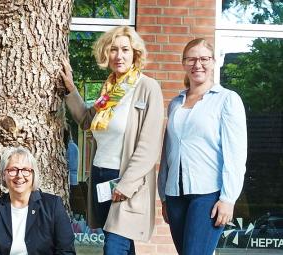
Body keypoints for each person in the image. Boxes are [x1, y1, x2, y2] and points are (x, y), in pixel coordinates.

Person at [60, 26, 164, 254]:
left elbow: (149, 146)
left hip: (126, 180)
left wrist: (126, 185)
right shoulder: (109, 90)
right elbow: (87, 119)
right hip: (100, 176)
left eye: (125, 49)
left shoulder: (147, 88)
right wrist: (70, 89)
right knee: (121, 244)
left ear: (135, 53)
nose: (119, 55)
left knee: (114, 247)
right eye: (113, 50)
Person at [157, 38, 247, 255]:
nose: (198, 64)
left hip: (208, 194)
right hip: (175, 195)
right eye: (191, 59)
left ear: (214, 62)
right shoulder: (176, 103)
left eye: (204, 58)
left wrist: (228, 199)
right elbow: (168, 151)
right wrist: (164, 196)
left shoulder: (227, 100)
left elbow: (235, 154)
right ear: (184, 64)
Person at [0, 146, 76, 255]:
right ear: (3, 175)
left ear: (33, 175)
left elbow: (66, 251)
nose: (19, 175)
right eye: (13, 170)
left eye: (25, 170)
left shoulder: (52, 206)